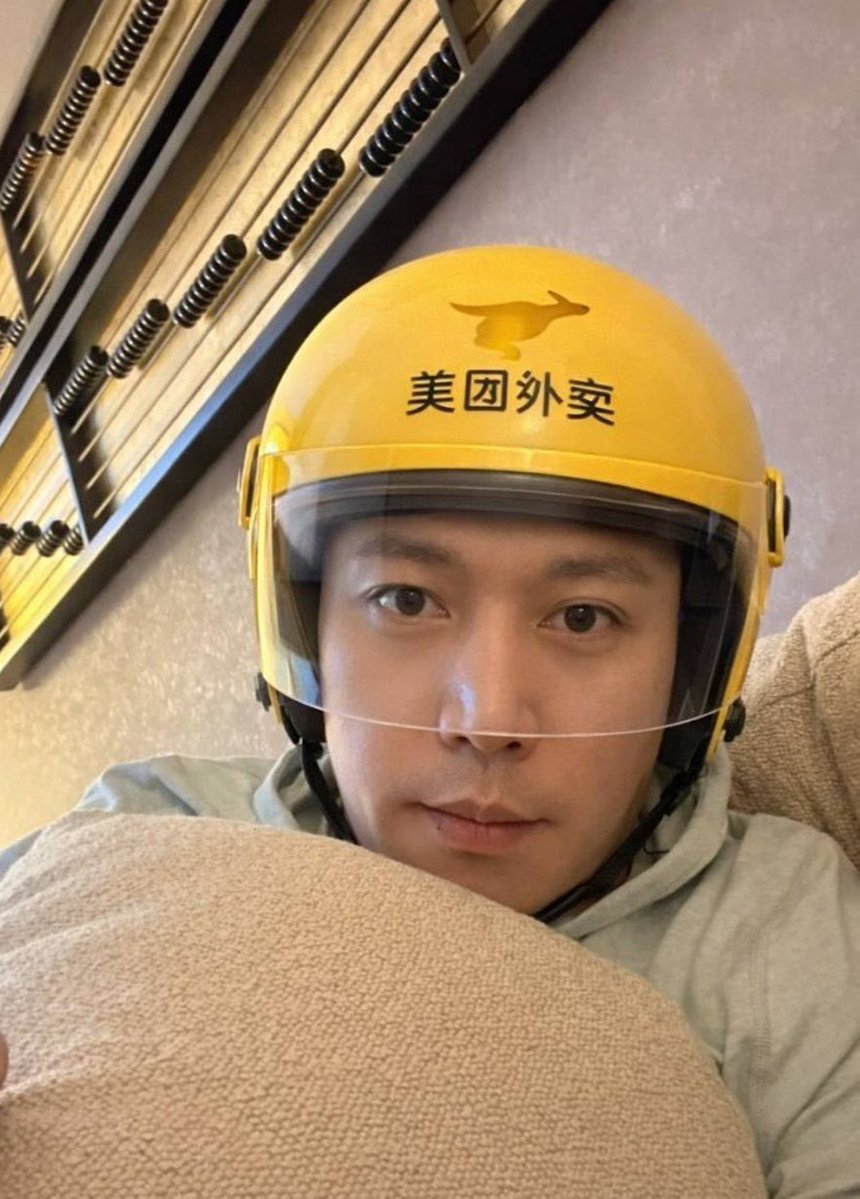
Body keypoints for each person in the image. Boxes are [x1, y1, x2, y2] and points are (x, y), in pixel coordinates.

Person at [1, 246, 858, 1194]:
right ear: (309, 627)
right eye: (406, 599)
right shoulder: (148, 833)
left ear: (692, 661)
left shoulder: (778, 925)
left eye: (583, 617)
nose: (488, 720)